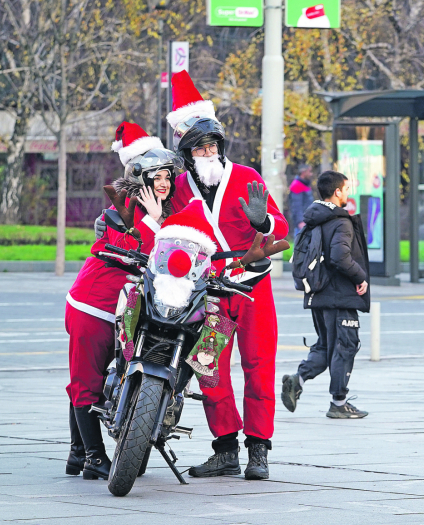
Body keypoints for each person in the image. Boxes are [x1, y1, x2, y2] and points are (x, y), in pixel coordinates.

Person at [166, 70, 289, 481]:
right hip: (210, 290)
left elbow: (281, 229)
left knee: (259, 366)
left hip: (252, 283)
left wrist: (265, 221)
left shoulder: (248, 177)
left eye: (212, 145)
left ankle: (259, 450)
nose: (207, 152)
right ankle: (225, 449)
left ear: (221, 147)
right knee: (208, 367)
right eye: (199, 148)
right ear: (187, 154)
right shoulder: (182, 187)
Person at [66, 122, 176, 480]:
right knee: (86, 381)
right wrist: (156, 221)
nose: (163, 183)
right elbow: (136, 248)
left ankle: (77, 453)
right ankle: (94, 458)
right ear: (140, 176)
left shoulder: (161, 210)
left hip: (123, 309)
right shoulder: (124, 208)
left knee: (94, 378)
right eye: (156, 176)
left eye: (167, 177)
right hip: (93, 304)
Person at [280, 170, 371, 419]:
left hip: (318, 294)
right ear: (337, 191)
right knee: (345, 346)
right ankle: (339, 403)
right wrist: (359, 276)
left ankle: (298, 379)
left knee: (326, 346)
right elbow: (339, 256)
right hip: (339, 295)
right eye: (346, 188)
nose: (348, 192)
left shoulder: (314, 219)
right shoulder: (340, 221)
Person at [289, 164, 315, 238]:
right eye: (309, 172)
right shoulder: (297, 185)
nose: (311, 174)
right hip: (303, 222)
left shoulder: (305, 184)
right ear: (304, 172)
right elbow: (296, 206)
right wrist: (300, 221)